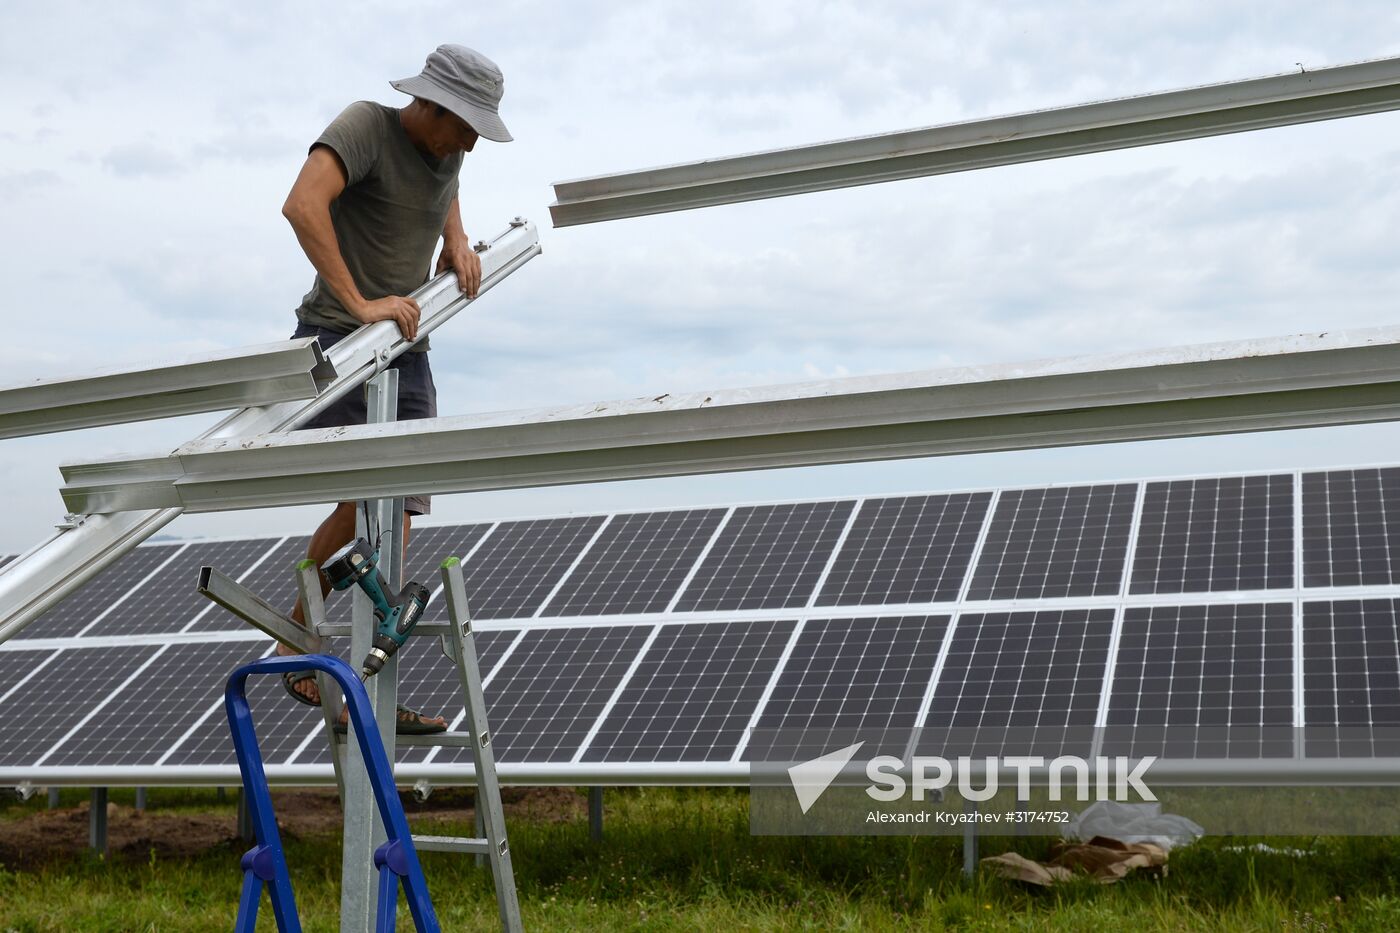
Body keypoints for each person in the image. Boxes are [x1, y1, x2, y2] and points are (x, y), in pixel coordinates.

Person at [275, 44, 513, 732]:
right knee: (364, 502)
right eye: (463, 125)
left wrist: (458, 242)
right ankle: (301, 648)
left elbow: (445, 187)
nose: (469, 142)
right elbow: (301, 205)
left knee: (401, 508)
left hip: (408, 343)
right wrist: (358, 300)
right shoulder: (365, 127)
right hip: (339, 337)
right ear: (429, 103)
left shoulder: (450, 151)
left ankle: (369, 667)